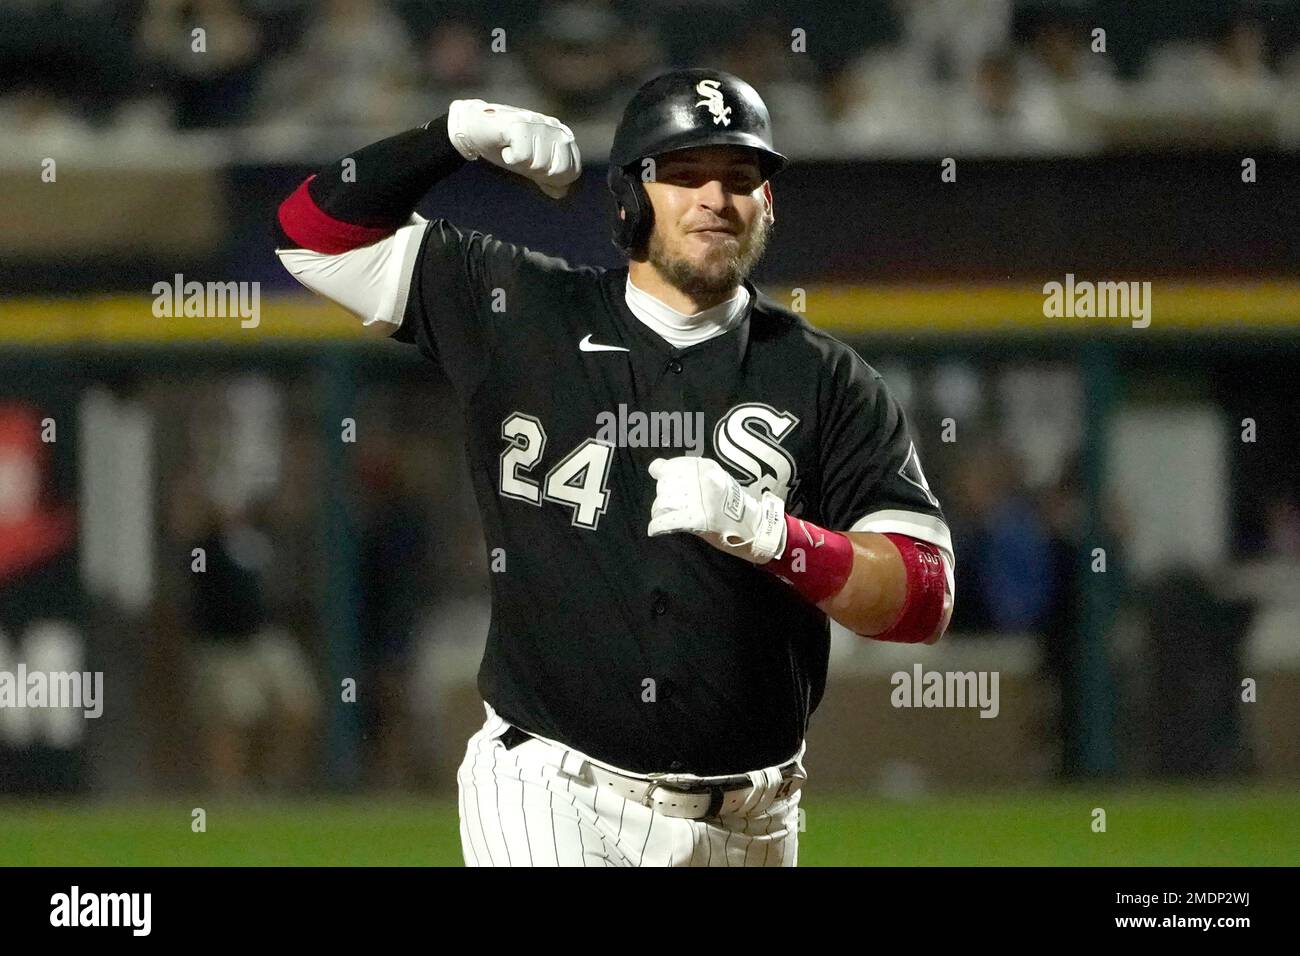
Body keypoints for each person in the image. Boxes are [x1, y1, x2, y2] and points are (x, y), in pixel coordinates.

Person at [274, 69, 955, 867]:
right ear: (631, 196)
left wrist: (776, 538)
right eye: (684, 173)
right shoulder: (519, 307)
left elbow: (922, 597)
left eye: (742, 179)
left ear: (767, 204)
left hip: (757, 819)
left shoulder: (824, 377)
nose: (716, 198)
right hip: (554, 790)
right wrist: (449, 136)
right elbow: (309, 234)